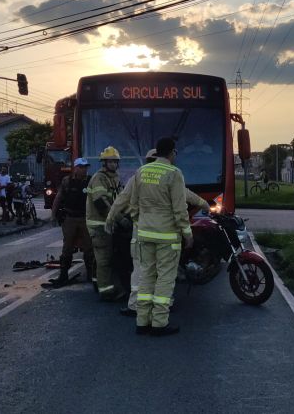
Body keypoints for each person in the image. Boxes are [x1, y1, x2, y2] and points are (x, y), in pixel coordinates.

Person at [107, 148, 209, 318]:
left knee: (141, 272)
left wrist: (111, 218)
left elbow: (122, 199)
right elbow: (186, 197)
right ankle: (163, 305)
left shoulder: (138, 176)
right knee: (164, 273)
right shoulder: (169, 176)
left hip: (141, 235)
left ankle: (136, 306)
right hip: (164, 235)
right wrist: (204, 205)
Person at [129, 138, 193, 336]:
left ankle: (142, 321)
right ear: (172, 152)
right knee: (165, 279)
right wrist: (187, 232)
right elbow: (180, 208)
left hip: (144, 234)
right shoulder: (174, 174)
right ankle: (159, 323)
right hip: (167, 237)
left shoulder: (142, 171)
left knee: (146, 276)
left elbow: (133, 204)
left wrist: (140, 222)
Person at [47, 158, 96, 288]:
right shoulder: (67, 181)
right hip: (70, 218)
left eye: (86, 167)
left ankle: (91, 274)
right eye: (81, 167)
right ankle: (63, 274)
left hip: (85, 217)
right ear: (76, 168)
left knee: (88, 247)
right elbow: (58, 198)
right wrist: (53, 215)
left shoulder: (91, 180)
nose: (84, 169)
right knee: (67, 247)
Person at [86, 146, 124, 301]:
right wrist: (120, 218)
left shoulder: (114, 177)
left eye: (115, 162)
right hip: (99, 225)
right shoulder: (99, 178)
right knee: (104, 260)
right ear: (104, 162)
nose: (113, 164)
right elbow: (100, 202)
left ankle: (98, 283)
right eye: (110, 161)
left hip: (107, 223)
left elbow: (120, 198)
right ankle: (106, 292)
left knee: (103, 258)